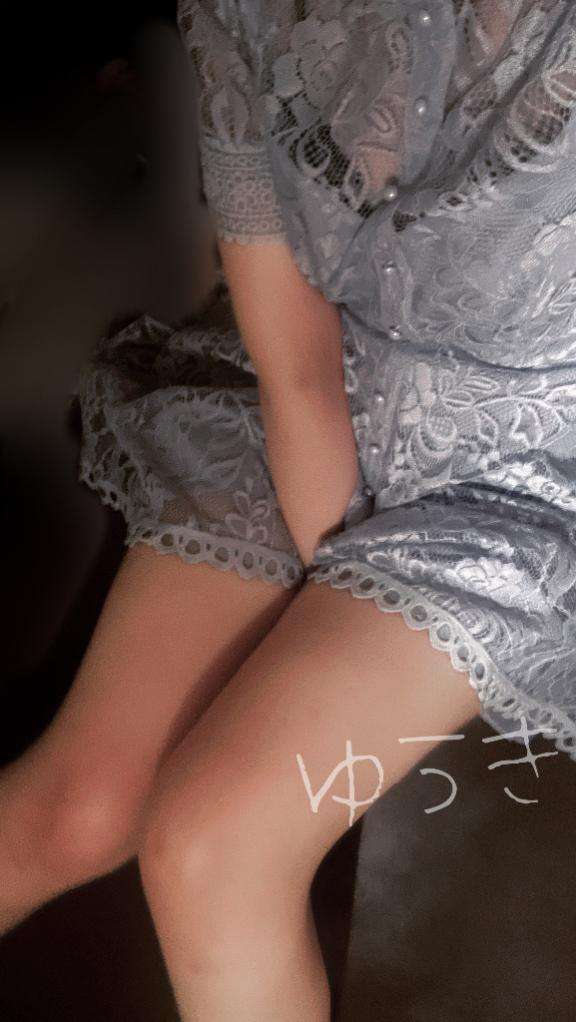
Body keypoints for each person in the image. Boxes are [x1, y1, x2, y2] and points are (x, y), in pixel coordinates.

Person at [2, 1, 576, 1018]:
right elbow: (296, 366)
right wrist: (325, 599)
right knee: (84, 807)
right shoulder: (246, 15)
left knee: (214, 843)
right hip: (321, 407)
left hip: (523, 483)